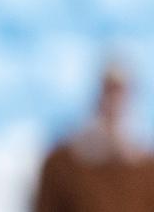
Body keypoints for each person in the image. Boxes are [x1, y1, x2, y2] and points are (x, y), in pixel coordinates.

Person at [33, 65, 154, 212]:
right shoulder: (61, 164)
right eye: (108, 92)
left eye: (121, 93)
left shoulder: (148, 170)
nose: (114, 103)